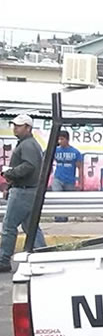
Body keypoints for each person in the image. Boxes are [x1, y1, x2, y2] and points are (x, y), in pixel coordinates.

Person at [0, 115, 47, 271]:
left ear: (28, 128)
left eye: (19, 126)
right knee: (30, 227)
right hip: (27, 190)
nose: (15, 128)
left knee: (9, 226)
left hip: (23, 191)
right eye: (14, 125)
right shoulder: (29, 144)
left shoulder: (27, 145)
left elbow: (29, 166)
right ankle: (43, 255)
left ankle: (3, 260)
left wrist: (11, 173)